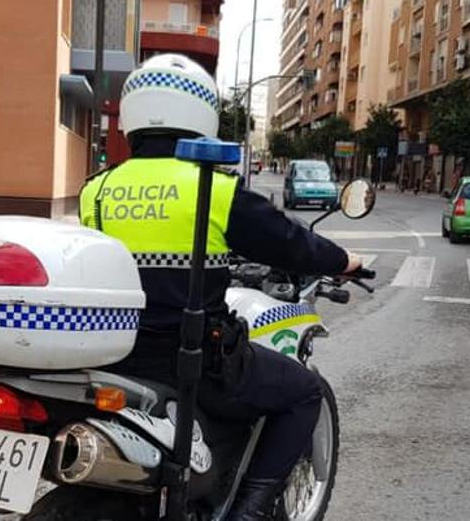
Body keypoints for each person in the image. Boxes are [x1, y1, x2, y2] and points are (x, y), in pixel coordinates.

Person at [80, 54, 362, 521]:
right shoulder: (213, 187)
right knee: (303, 391)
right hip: (192, 363)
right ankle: (249, 511)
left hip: (114, 354)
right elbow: (290, 242)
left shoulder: (99, 189)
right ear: (199, 115)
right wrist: (344, 260)